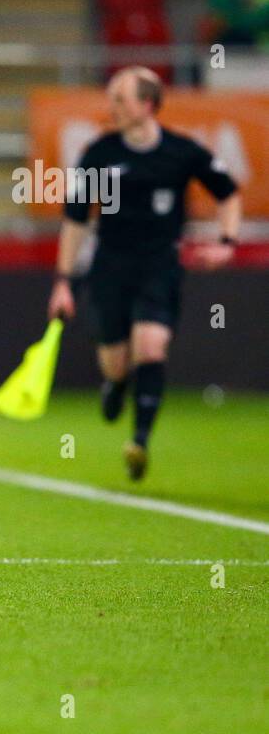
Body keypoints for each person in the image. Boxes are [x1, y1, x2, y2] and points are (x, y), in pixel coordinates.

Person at [47, 67, 242, 481]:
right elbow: (76, 221)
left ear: (148, 104)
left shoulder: (182, 152)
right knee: (116, 362)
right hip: (110, 269)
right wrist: (64, 281)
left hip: (160, 266)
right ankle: (116, 384)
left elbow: (228, 193)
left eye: (121, 99)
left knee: (151, 346)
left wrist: (226, 243)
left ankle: (139, 441)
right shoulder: (99, 154)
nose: (112, 107)